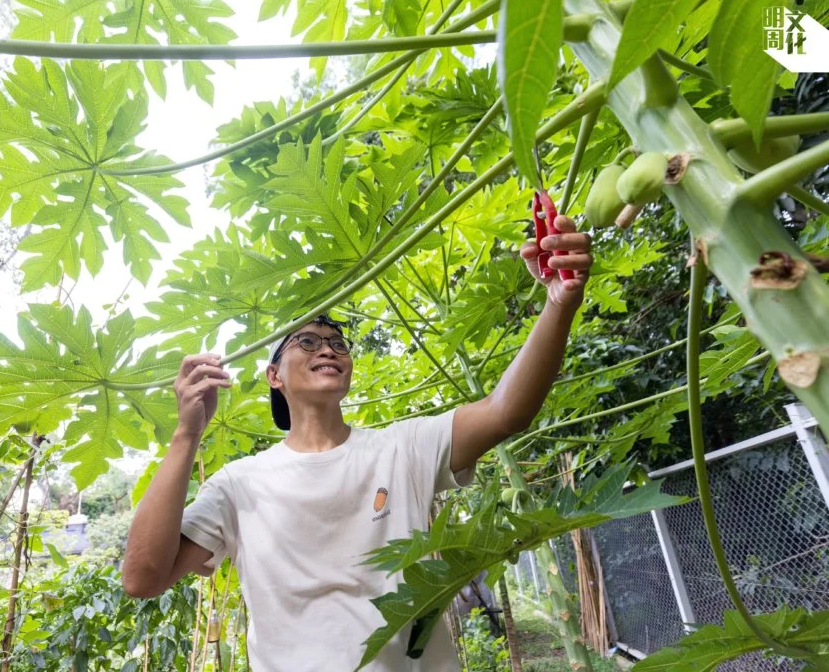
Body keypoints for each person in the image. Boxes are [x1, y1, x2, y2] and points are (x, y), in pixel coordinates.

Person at [122, 216, 593, 671]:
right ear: (273, 376)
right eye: (306, 341)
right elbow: (143, 578)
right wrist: (187, 434)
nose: (327, 348)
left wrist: (559, 303)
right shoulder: (238, 485)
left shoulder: (403, 448)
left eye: (337, 343)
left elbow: (505, 412)